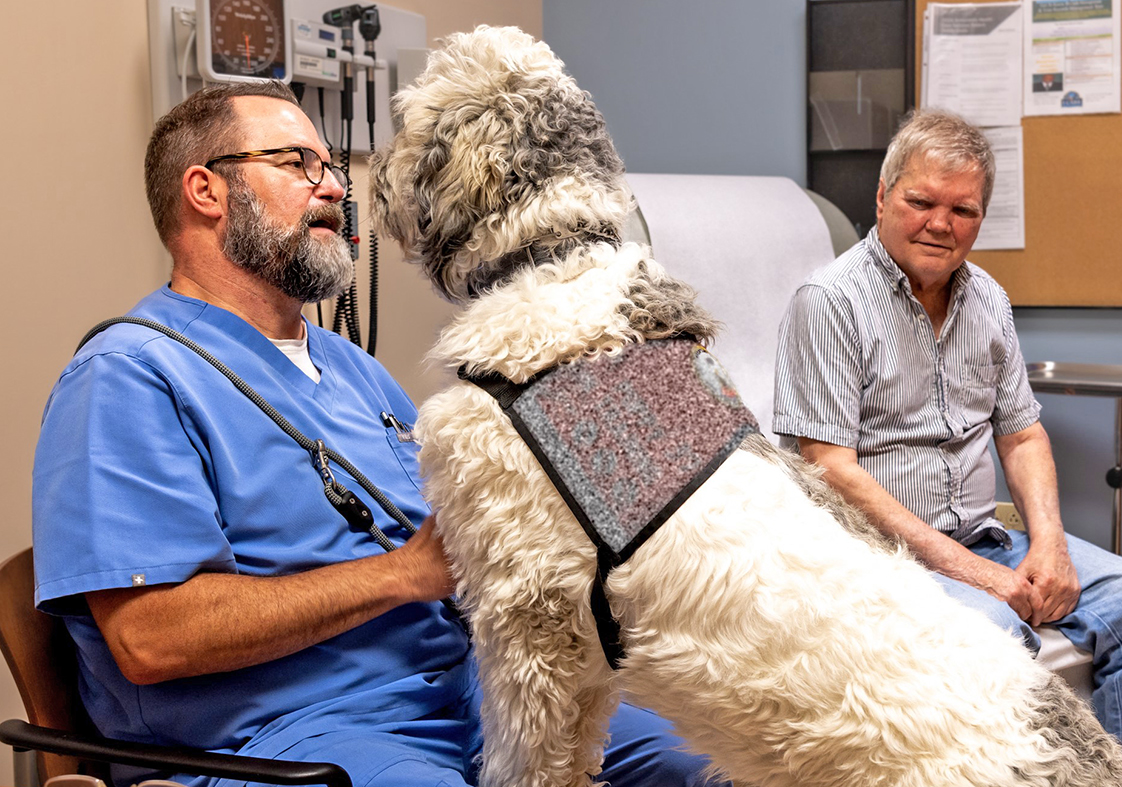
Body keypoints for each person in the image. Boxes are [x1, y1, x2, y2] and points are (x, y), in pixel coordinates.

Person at [31, 82, 718, 787]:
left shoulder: (352, 368)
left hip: (472, 691)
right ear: (206, 190)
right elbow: (150, 637)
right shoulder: (126, 378)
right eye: (298, 163)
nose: (332, 188)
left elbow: (446, 540)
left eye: (331, 168)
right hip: (296, 735)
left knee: (715, 762)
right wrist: (402, 574)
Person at [772, 109, 1122, 787]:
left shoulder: (988, 299)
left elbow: (1022, 433)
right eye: (921, 201)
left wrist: (1048, 544)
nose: (941, 223)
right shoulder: (829, 302)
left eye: (962, 209)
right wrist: (980, 576)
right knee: (995, 627)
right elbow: (830, 469)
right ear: (881, 198)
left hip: (986, 538)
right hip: (880, 558)